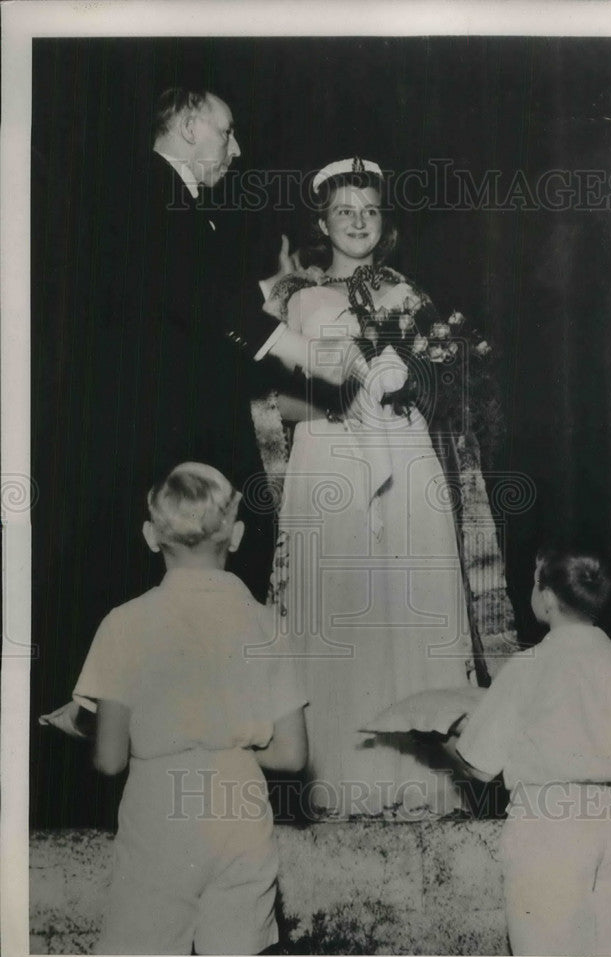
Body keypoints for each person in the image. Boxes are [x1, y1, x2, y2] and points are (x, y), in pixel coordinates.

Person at [38, 91, 367, 748]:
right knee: (180, 550)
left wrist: (271, 296)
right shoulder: (149, 185)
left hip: (164, 415)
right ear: (190, 128)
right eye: (227, 132)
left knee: (186, 557)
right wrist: (306, 353)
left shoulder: (169, 199)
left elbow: (193, 292)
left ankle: (133, 708)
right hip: (156, 420)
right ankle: (106, 708)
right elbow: (198, 301)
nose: (236, 148)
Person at [261, 157, 476, 818]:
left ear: (385, 222)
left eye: (370, 210)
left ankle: (420, 780)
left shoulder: (411, 295)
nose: (357, 222)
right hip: (332, 457)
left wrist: (415, 378)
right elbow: (276, 401)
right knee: (343, 603)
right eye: (343, 211)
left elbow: (445, 393)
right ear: (321, 222)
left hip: (403, 451)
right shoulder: (294, 298)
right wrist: (345, 404)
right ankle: (342, 777)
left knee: (405, 597)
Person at [72, 462, 307, 954]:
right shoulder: (267, 626)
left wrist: (86, 728)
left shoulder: (124, 624)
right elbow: (291, 755)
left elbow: (110, 759)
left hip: (160, 810)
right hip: (240, 805)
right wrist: (223, 742)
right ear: (237, 535)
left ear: (150, 536)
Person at [452, 542, 611, 956]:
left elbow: (479, 766)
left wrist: (446, 737)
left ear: (549, 598)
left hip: (547, 825)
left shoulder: (529, 666)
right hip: (608, 821)